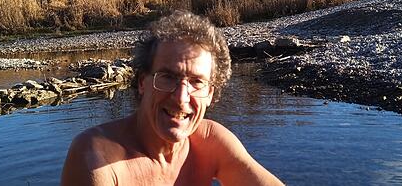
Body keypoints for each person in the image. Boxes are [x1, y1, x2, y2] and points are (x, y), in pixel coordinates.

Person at [61, 10, 283, 185]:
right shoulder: (97, 156)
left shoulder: (210, 142)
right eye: (167, 77)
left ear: (210, 94)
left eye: (197, 82)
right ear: (142, 82)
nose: (181, 97)